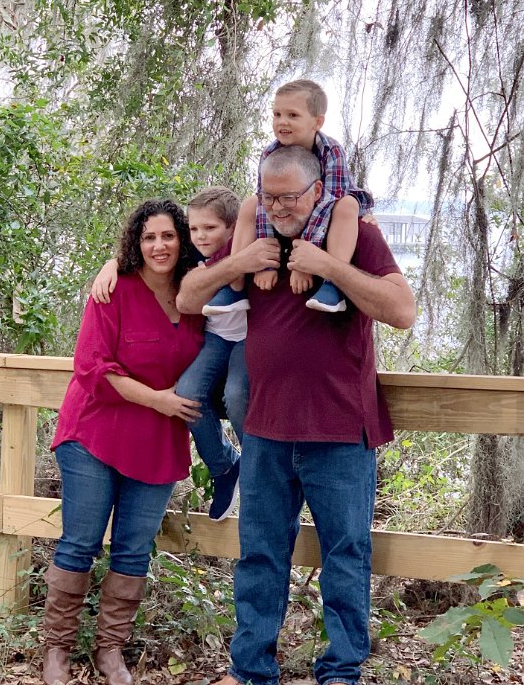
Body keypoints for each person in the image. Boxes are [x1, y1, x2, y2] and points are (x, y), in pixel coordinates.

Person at [176, 146, 415, 685]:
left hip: (340, 429)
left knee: (345, 554)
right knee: (259, 555)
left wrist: (328, 266)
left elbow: (402, 311)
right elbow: (189, 298)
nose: (279, 208)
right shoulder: (255, 238)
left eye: (290, 197)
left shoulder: (356, 236)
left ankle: (341, 671)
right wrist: (239, 263)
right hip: (264, 430)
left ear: (318, 192)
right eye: (269, 197)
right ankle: (250, 669)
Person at [42, 199, 204, 685]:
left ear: (183, 240)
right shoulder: (112, 289)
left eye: (168, 236)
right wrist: (158, 400)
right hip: (95, 432)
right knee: (80, 543)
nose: (159, 246)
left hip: (158, 441)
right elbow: (92, 367)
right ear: (136, 242)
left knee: (133, 551)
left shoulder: (196, 295)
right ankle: (57, 650)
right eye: (149, 237)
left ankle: (110, 651)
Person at [90, 187, 248, 522]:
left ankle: (259, 468)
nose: (201, 235)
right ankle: (224, 466)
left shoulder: (241, 249)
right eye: (195, 229)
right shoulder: (192, 261)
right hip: (216, 338)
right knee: (188, 393)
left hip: (248, 341)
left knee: (236, 395)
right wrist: (112, 263)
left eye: (209, 228)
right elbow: (151, 254)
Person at [202, 79, 374, 316]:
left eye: (292, 115)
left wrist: (303, 263)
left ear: (317, 122)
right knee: (251, 203)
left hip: (332, 203)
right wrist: (266, 264)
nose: (282, 122)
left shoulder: (331, 151)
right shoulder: (270, 152)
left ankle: (333, 284)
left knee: (347, 206)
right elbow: (265, 202)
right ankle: (234, 287)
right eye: (277, 114)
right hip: (292, 205)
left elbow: (327, 202)